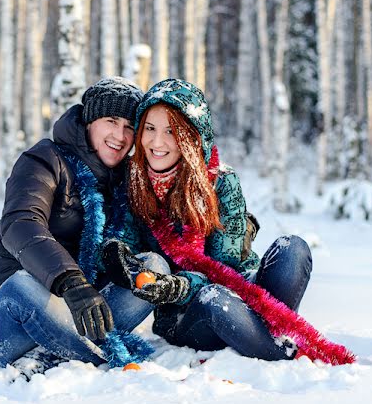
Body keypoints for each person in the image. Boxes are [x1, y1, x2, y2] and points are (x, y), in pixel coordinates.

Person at [104, 78, 353, 365]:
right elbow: (127, 245)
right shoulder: (133, 183)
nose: (157, 142)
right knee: (214, 298)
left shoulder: (221, 181)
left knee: (292, 248)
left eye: (171, 131)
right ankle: (280, 353)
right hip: (186, 316)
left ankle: (257, 335)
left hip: (240, 289)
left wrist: (183, 282)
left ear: (193, 136)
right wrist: (122, 258)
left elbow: (228, 267)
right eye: (149, 128)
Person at [0, 77, 161, 371]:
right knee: (23, 285)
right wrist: (71, 283)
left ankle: (66, 350)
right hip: (20, 314)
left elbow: (160, 230)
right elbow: (21, 223)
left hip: (84, 313)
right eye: (111, 121)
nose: (120, 135)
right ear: (89, 120)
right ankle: (108, 360)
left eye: (129, 127)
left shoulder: (127, 178)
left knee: (153, 266)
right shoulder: (45, 159)